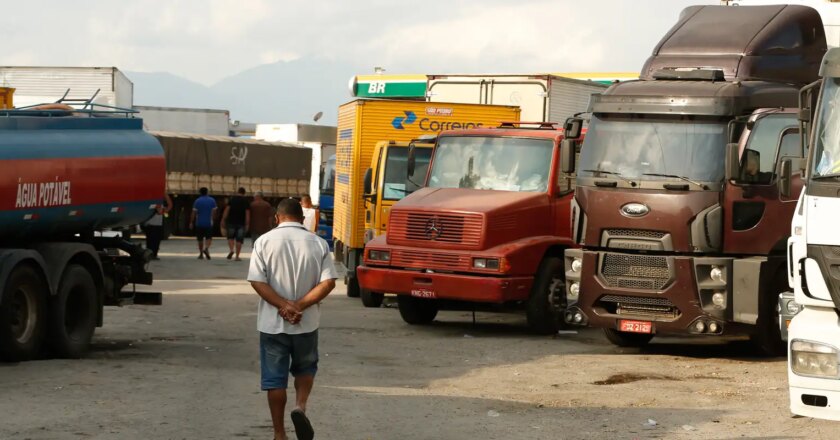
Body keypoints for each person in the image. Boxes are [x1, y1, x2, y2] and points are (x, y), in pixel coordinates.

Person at [247, 198, 338, 440]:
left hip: (272, 325)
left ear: (277, 217)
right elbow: (328, 282)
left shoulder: (263, 242)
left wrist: (283, 306)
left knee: (275, 380)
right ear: (301, 217)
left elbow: (257, 281)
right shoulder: (318, 243)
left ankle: (279, 433)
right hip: (306, 323)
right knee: (305, 368)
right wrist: (299, 306)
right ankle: (300, 406)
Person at [221, 187, 250, 261]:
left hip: (231, 222)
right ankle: (237, 256)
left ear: (238, 192)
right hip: (241, 223)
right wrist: (247, 224)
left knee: (230, 237)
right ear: (244, 193)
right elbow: (247, 213)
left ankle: (231, 250)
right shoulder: (246, 201)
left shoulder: (232, 199)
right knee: (239, 240)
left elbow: (227, 210)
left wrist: (223, 220)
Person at [190, 187, 217, 260]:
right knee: (209, 238)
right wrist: (213, 219)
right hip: (209, 222)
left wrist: (191, 222)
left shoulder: (197, 201)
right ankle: (206, 248)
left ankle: (201, 254)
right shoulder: (212, 200)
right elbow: (214, 212)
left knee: (200, 239)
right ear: (207, 192)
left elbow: (194, 213)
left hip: (199, 223)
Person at [144, 193, 173, 260]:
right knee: (153, 241)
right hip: (153, 224)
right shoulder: (155, 202)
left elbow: (169, 205)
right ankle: (152, 254)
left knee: (152, 241)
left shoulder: (157, 202)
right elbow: (168, 205)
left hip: (152, 224)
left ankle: (152, 254)